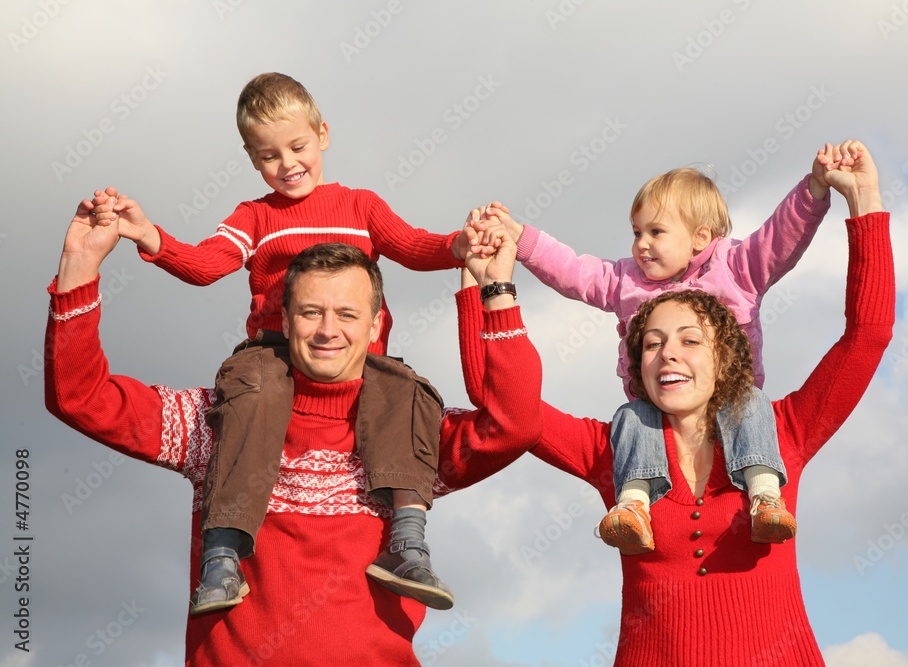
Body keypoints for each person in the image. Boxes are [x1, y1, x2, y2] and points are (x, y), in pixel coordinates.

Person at [45, 201, 539, 665]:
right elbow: (80, 397)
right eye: (310, 312)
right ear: (284, 320)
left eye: (347, 314)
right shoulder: (219, 419)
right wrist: (78, 267)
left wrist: (496, 292)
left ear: (375, 326)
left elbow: (514, 425)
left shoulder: (413, 428)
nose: (328, 330)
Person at [460, 143, 893, 664]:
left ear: (725, 353)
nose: (667, 354)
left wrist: (863, 202)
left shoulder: (784, 431)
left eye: (690, 340)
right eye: (651, 343)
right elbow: (498, 400)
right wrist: (489, 287)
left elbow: (867, 335)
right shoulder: (616, 448)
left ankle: (763, 495)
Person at [88, 72, 483, 613]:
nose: (288, 164)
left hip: (359, 358)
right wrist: (148, 234)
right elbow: (206, 265)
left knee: (409, 392)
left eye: (298, 147)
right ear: (252, 159)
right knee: (249, 394)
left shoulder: (361, 206)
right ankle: (222, 555)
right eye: (269, 155)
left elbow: (413, 246)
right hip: (275, 353)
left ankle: (407, 542)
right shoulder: (255, 217)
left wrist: (459, 244)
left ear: (323, 134)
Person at [477, 143, 859, 553]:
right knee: (632, 418)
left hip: (729, 396)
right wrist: (521, 237)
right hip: (657, 404)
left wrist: (815, 188)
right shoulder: (627, 281)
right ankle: (633, 505)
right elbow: (574, 271)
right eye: (636, 232)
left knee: (752, 405)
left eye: (655, 232)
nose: (641, 244)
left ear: (700, 237)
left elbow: (780, 236)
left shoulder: (735, 267)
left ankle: (765, 495)